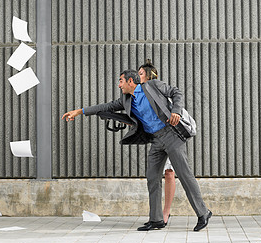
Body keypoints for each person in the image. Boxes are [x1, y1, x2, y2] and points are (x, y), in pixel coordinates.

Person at [62, 69, 212, 232]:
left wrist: (175, 110)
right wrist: (79, 112)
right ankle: (156, 220)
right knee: (152, 177)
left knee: (184, 175)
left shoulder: (152, 86)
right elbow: (107, 106)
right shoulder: (126, 100)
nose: (119, 85)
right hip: (155, 139)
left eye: (121, 81)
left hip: (171, 135)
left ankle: (203, 213)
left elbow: (176, 92)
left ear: (130, 82)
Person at [138, 59, 174, 225]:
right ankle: (157, 216)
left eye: (140, 74)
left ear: (149, 75)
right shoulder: (140, 92)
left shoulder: (157, 87)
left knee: (169, 173)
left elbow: (175, 96)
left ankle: (165, 212)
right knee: (157, 174)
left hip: (171, 134)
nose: (138, 77)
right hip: (158, 138)